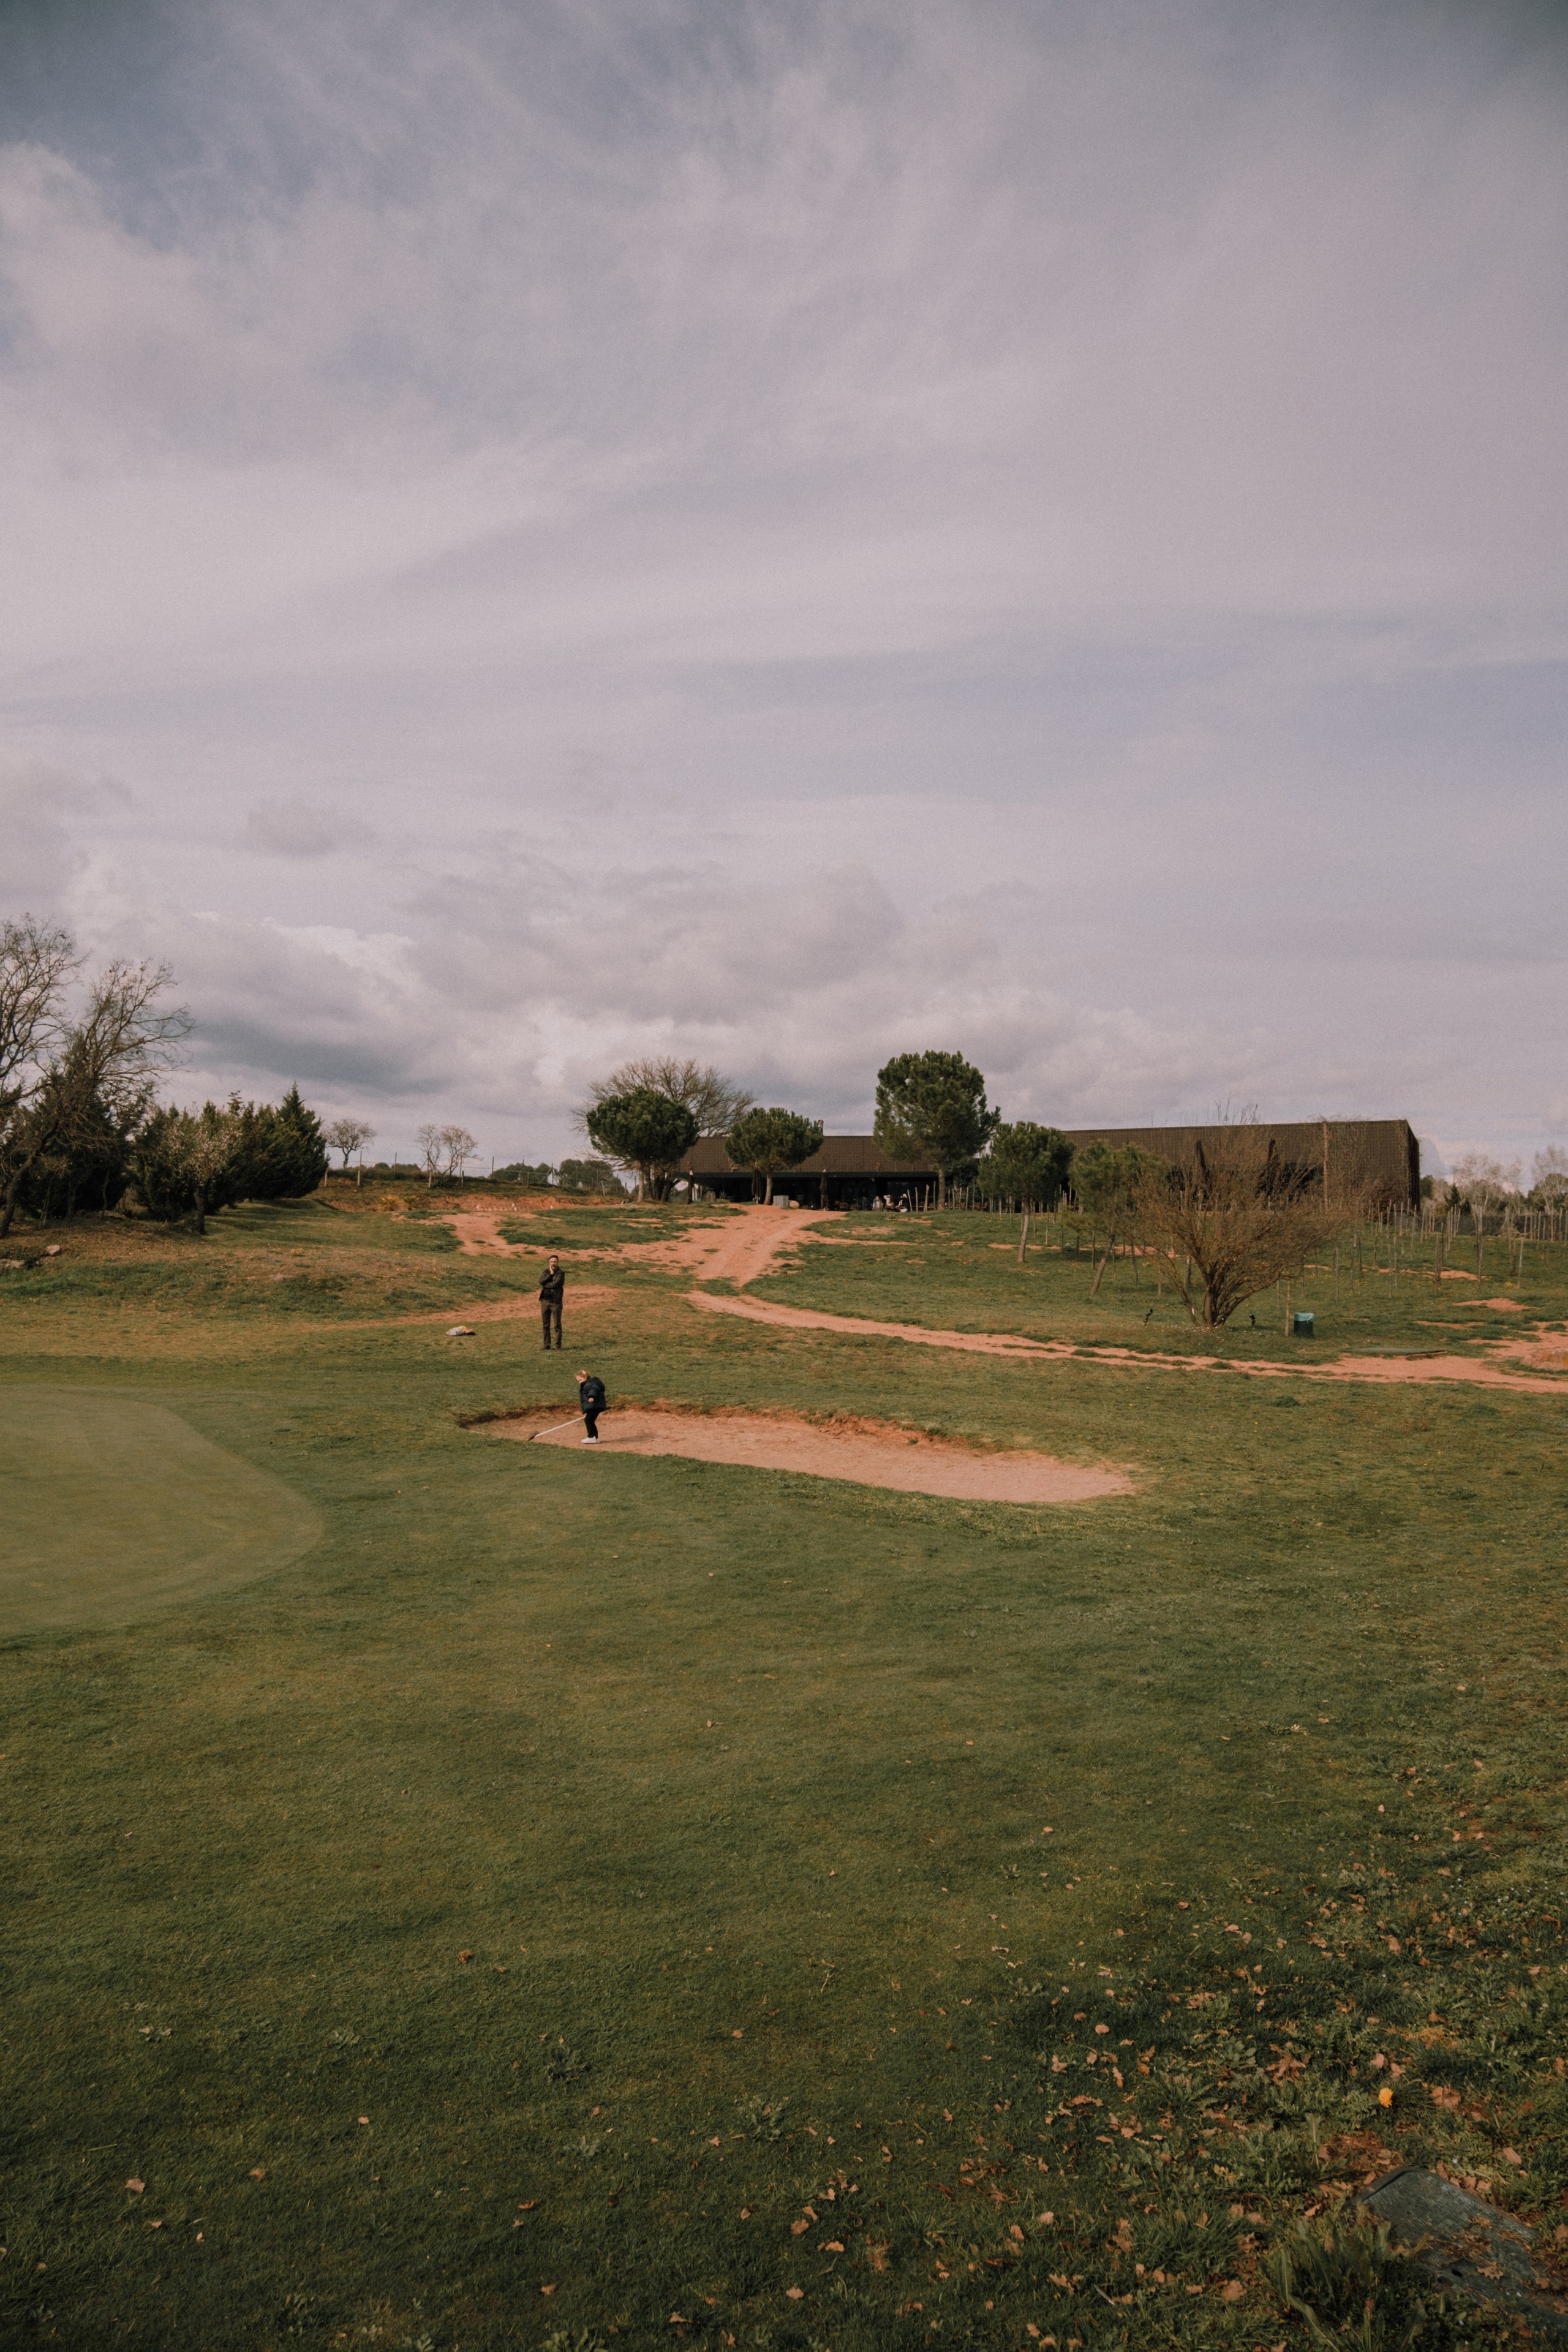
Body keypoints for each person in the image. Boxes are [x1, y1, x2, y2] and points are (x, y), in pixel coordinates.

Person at [538, 1254, 565, 1351]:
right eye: (551, 1262)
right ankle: (547, 1345)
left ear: (558, 1262)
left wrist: (547, 1283)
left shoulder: (561, 1273)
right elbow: (541, 1281)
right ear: (549, 1263)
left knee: (557, 1325)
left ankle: (558, 1346)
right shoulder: (546, 1272)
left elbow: (555, 1284)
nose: (553, 1264)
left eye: (555, 1262)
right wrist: (550, 1274)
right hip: (545, 1302)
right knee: (545, 1325)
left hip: (556, 1302)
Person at [576, 1368, 606, 1443]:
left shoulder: (589, 1384)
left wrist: (591, 1396)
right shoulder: (589, 1383)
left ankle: (591, 1437)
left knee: (588, 1420)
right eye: (578, 1381)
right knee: (591, 1421)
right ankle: (596, 1438)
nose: (579, 1382)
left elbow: (594, 1389)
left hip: (595, 1406)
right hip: (595, 1406)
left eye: (580, 1380)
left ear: (585, 1377)